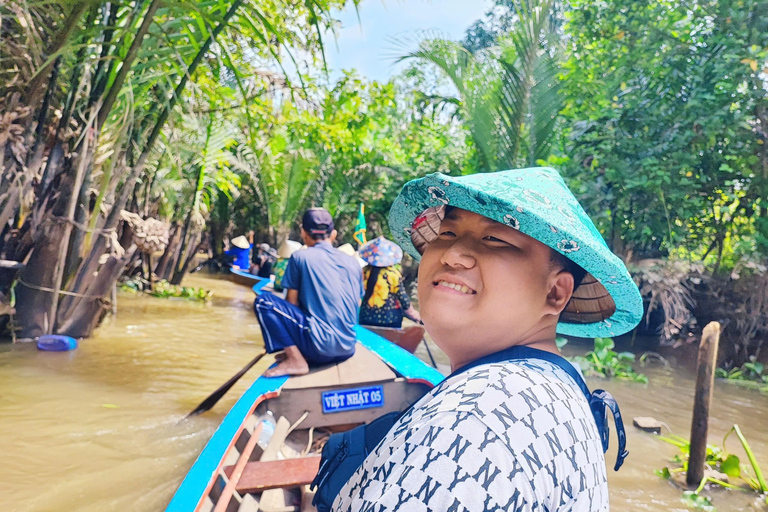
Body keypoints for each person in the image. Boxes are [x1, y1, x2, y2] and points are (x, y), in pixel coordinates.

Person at [332, 168, 643, 511]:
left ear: (555, 292)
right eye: (447, 231)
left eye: (495, 239)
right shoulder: (552, 384)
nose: (452, 254)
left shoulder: (474, 416)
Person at [253, 208, 364, 377]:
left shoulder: (299, 257)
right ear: (333, 234)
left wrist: (281, 337)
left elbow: (292, 303)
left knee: (264, 302)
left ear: (303, 233)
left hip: (319, 349)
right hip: (348, 348)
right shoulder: (353, 262)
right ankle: (297, 352)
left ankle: (295, 359)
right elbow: (357, 304)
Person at [358, 236, 421, 328]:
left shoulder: (363, 272)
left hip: (366, 318)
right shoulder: (393, 274)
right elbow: (403, 299)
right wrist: (415, 316)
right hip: (390, 320)